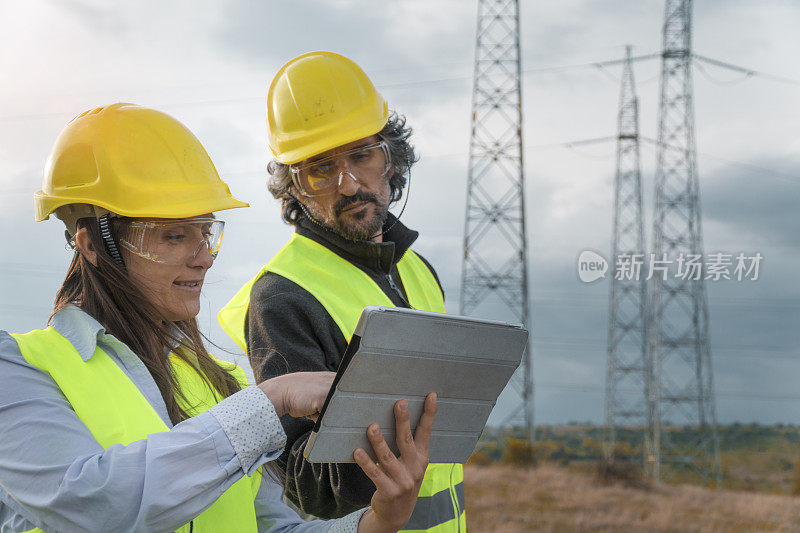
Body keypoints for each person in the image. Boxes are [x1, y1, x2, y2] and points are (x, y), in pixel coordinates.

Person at [0, 103, 437, 533]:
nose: (204, 259)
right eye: (174, 236)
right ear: (92, 245)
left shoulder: (216, 383)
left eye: (205, 232)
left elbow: (275, 529)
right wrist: (271, 401)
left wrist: (376, 523)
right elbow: (92, 506)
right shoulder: (21, 370)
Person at [218, 52, 465, 531]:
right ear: (295, 187)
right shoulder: (282, 296)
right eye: (321, 168)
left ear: (390, 158)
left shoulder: (418, 270)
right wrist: (393, 436)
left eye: (360, 155)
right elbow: (307, 485)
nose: (348, 183)